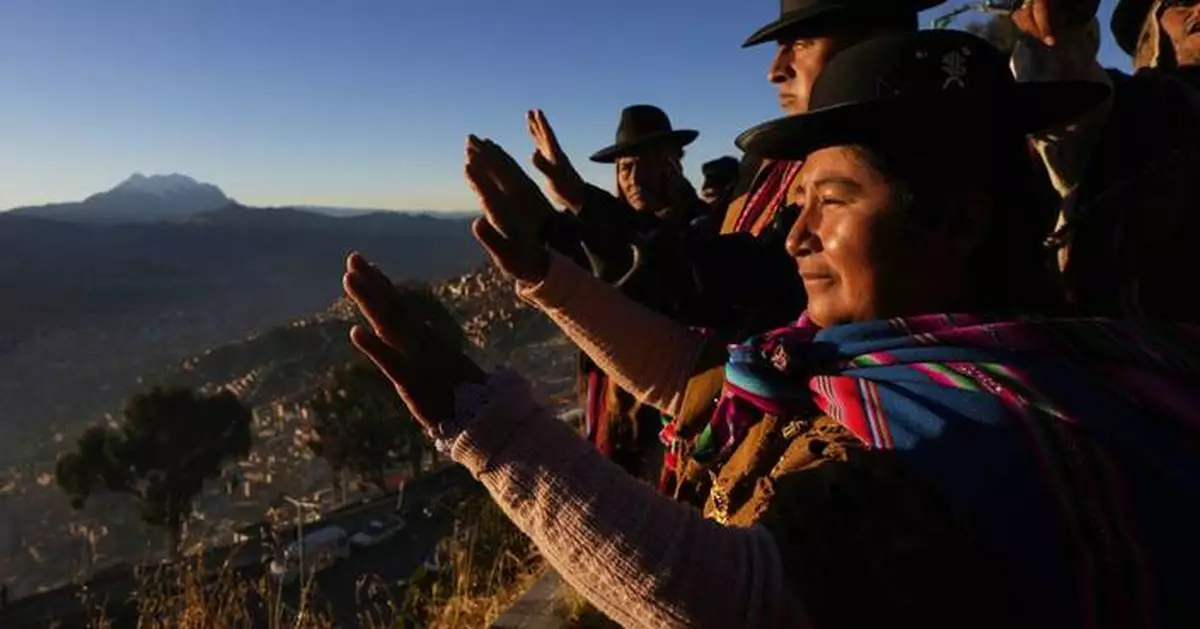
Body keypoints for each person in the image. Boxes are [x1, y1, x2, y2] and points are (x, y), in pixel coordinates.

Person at [346, 30, 1200, 629]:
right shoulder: (892, 369)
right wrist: (546, 279)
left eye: (832, 202)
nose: (795, 237)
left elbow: (750, 601)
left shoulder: (984, 439)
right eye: (796, 204)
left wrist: (486, 427)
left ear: (960, 221)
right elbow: (697, 378)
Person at [531, 104, 712, 483]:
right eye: (623, 168)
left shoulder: (705, 231)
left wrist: (580, 196)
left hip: (671, 413)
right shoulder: (603, 234)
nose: (630, 178)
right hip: (611, 407)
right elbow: (560, 239)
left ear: (671, 164)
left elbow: (659, 260)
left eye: (639, 164)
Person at [1008, 0, 1200, 321]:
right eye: (1182, 2)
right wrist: (1062, 22)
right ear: (1149, 33)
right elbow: (1060, 74)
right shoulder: (1132, 107)